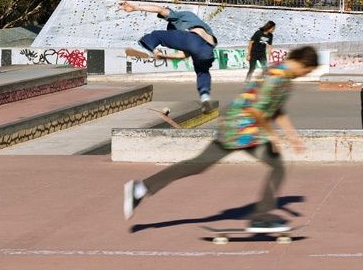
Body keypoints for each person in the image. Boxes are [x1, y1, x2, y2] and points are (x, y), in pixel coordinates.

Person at [122, 46, 319, 233]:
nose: (307, 75)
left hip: (235, 126)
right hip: (243, 128)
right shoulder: (277, 77)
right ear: (304, 64)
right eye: (308, 71)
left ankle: (141, 188)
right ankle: (262, 216)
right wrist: (273, 135)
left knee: (198, 165)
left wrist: (292, 136)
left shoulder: (282, 75)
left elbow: (276, 109)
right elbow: (257, 109)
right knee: (277, 165)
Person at [121, 1, 219, 109]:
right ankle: (205, 96)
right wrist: (163, 57)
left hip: (192, 39)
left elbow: (160, 9)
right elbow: (184, 55)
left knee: (157, 35)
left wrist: (135, 7)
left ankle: (148, 46)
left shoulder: (179, 17)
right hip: (208, 51)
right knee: (202, 71)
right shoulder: (202, 24)